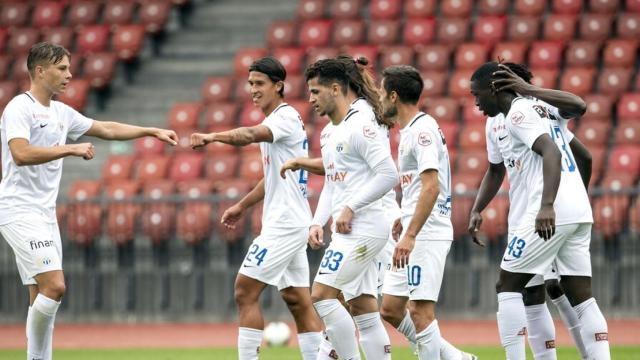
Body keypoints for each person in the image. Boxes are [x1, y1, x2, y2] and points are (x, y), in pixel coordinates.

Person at [0, 42, 178, 360]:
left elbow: (106, 128)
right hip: (17, 209)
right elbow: (21, 153)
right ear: (40, 71)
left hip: (44, 213)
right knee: (55, 287)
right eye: (62, 68)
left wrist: (150, 130)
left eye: (69, 67)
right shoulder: (19, 108)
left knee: (39, 296)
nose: (70, 74)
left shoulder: (62, 113)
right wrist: (69, 148)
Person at [468, 61, 610, 360]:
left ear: (497, 88)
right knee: (573, 294)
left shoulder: (528, 110)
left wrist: (549, 205)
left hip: (546, 212)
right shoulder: (498, 121)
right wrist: (478, 208)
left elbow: (556, 148)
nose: (475, 101)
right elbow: (496, 170)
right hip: (560, 212)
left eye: (476, 94)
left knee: (509, 286)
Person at [190, 56, 322, 360]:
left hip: (285, 224)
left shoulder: (283, 118)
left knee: (244, 291)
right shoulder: (279, 120)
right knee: (298, 300)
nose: (252, 89)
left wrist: (213, 136)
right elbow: (274, 179)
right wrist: (241, 206)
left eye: (259, 83)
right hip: (291, 220)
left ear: (278, 86)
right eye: (250, 83)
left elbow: (248, 135)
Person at [377, 65, 475, 360]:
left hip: (427, 233)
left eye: (382, 93)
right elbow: (417, 186)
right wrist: (404, 218)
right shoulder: (408, 131)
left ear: (393, 96)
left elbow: (431, 186)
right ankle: (455, 358)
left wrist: (411, 233)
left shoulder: (422, 131)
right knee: (391, 308)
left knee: (420, 311)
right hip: (414, 227)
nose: (380, 98)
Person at [305, 58, 398, 360]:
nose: (311, 99)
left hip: (367, 227)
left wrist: (350, 208)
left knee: (321, 296)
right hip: (349, 230)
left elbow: (388, 174)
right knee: (362, 309)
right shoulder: (331, 132)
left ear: (335, 89)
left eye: (316, 91)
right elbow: (334, 183)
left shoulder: (361, 124)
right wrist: (318, 221)